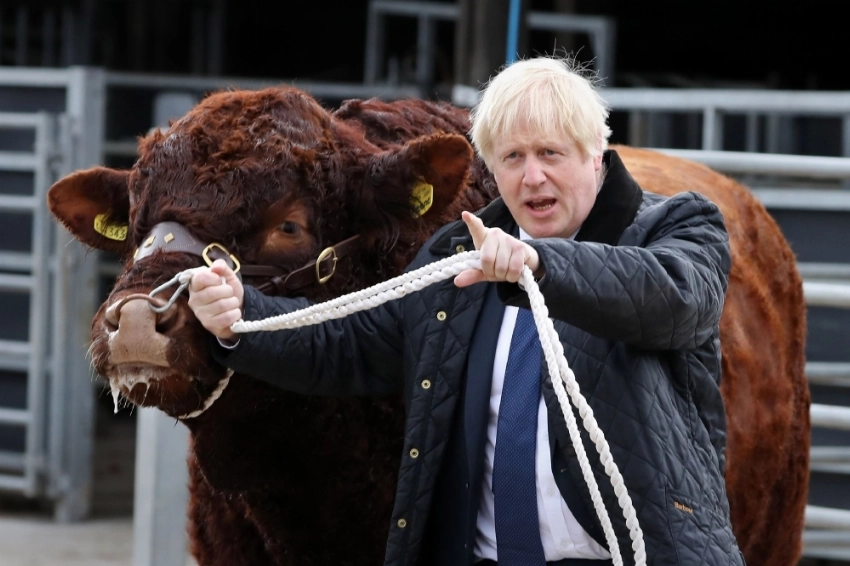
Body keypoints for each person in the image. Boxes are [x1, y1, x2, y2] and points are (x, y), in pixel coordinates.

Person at [188, 56, 743, 566]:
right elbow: (349, 345)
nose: (532, 177)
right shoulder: (457, 254)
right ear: (491, 168)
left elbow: (675, 299)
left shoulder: (678, 227)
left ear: (596, 152)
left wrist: (541, 263)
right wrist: (241, 317)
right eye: (512, 158)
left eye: (550, 153)